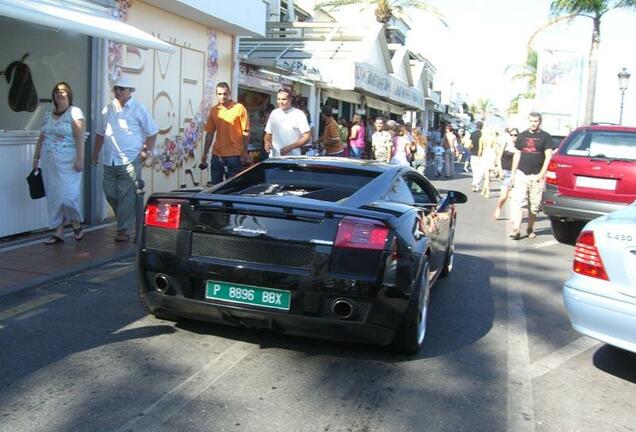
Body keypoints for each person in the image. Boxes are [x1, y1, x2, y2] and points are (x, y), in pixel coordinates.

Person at [93, 76, 158, 242]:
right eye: (116, 88)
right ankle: (131, 220)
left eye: (122, 88)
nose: (118, 91)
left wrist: (146, 152)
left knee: (126, 196)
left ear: (131, 91)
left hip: (129, 159)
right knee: (110, 194)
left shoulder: (138, 109)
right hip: (109, 159)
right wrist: (95, 153)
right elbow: (100, 133)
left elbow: (152, 131)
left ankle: (123, 230)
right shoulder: (107, 109)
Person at [32, 81, 85, 245]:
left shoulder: (75, 112)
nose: (59, 95)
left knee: (67, 195)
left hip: (68, 161)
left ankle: (76, 222)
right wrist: (36, 158)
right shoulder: (48, 114)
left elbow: (79, 136)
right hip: (49, 161)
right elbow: (42, 137)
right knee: (54, 197)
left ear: (69, 94)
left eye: (62, 92)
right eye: (56, 92)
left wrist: (80, 158)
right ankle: (59, 232)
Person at [508, 112, 555, 240]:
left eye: (536, 121)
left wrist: (541, 175)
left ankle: (529, 227)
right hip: (521, 174)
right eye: (531, 121)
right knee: (518, 202)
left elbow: (548, 157)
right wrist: (513, 174)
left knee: (534, 206)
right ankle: (516, 229)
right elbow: (517, 155)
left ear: (540, 122)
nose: (533, 124)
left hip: (536, 176)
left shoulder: (546, 137)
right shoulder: (522, 136)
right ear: (528, 121)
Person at [200, 82, 250, 184]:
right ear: (216, 94)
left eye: (225, 93)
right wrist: (205, 153)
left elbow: (246, 131)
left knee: (233, 187)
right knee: (215, 187)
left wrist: (244, 152)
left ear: (229, 93)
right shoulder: (214, 110)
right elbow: (210, 133)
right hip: (217, 154)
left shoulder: (239, 108)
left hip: (234, 155)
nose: (222, 96)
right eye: (219, 94)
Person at [263, 87, 311, 157]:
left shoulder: (299, 114)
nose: (280, 102)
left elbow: (307, 137)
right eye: (278, 99)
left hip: (292, 159)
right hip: (274, 157)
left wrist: (291, 147)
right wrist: (266, 141)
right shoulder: (274, 113)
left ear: (290, 99)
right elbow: (268, 134)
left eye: (284, 99)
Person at [493, 127, 519, 219]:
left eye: (515, 135)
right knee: (504, 196)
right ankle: (498, 208)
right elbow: (499, 157)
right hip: (505, 171)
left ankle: (514, 216)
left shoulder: (518, 147)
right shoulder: (506, 144)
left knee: (514, 198)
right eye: (511, 134)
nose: (513, 137)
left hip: (515, 173)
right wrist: (500, 170)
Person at [470, 121, 484, 191]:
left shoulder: (472, 134)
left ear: (476, 126)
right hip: (482, 155)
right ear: (482, 127)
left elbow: (470, 144)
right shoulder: (483, 135)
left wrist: (470, 149)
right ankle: (477, 184)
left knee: (474, 170)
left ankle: (474, 183)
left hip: (473, 154)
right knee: (480, 171)